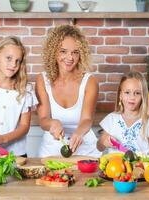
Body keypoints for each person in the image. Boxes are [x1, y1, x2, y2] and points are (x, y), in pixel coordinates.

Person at [36, 25, 101, 158]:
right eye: (63, 51)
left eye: (75, 52)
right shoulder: (42, 80)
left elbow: (87, 119)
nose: (70, 57)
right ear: (54, 51)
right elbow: (43, 120)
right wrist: (52, 123)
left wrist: (79, 133)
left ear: (81, 54)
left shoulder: (90, 82)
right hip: (51, 151)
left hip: (85, 151)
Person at [97, 71, 149, 159]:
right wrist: (104, 142)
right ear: (120, 95)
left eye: (137, 93)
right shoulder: (111, 119)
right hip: (114, 169)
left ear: (143, 97)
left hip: (140, 169)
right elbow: (99, 147)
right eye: (127, 92)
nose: (132, 97)